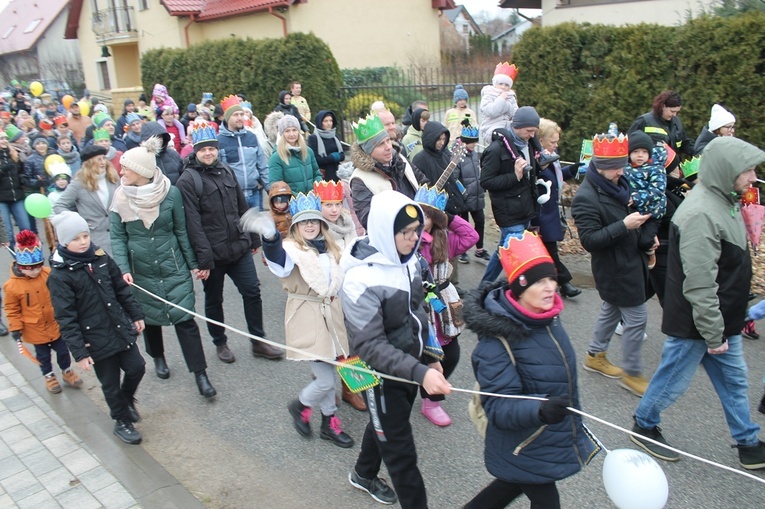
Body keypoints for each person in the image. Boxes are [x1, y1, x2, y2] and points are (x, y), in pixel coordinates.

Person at [631, 136, 765, 470]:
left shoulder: (724, 199)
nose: (753, 177)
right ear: (725, 170)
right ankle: (644, 425)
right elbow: (700, 282)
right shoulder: (700, 214)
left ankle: (748, 442)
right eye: (747, 170)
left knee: (735, 382)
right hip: (699, 324)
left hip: (721, 319)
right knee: (672, 383)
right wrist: (713, 333)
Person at [464, 230, 599, 509]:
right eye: (539, 281)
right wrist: (539, 411)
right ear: (520, 288)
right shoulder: (496, 343)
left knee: (509, 486)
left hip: (540, 438)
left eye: (552, 278)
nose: (551, 287)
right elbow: (499, 408)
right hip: (524, 441)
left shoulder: (547, 319)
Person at [341, 190, 452, 508]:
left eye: (418, 230)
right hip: (379, 376)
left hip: (409, 365)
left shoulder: (411, 260)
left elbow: (419, 313)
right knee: (403, 458)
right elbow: (369, 346)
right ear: (383, 231)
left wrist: (431, 358)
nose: (415, 238)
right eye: (406, 232)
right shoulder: (359, 279)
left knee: (387, 426)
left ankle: (363, 474)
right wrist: (420, 371)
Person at [244, 194, 354, 448]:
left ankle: (329, 422)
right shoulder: (292, 250)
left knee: (328, 372)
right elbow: (278, 263)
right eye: (304, 223)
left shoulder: (331, 249)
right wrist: (271, 238)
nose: (310, 226)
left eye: (314, 222)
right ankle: (301, 405)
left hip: (333, 316)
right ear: (295, 227)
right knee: (326, 378)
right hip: (308, 316)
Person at [110, 140, 216, 398]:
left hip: (173, 265)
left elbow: (181, 230)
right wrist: (123, 268)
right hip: (140, 269)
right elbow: (117, 237)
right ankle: (158, 357)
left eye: (126, 168)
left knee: (185, 319)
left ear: (142, 170)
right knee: (150, 318)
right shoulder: (120, 197)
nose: (121, 172)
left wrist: (193, 264)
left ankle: (200, 374)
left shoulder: (171, 193)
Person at [177, 121, 283, 363]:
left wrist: (253, 237)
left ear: (216, 149)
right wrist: (203, 260)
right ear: (195, 151)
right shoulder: (187, 180)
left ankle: (258, 342)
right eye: (203, 149)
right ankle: (220, 342)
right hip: (212, 255)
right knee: (214, 300)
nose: (208, 153)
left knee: (252, 292)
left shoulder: (226, 170)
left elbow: (242, 207)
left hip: (238, 247)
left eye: (211, 149)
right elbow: (192, 224)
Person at [48, 211, 147, 445]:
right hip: (95, 338)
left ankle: (126, 399)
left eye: (85, 236)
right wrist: (80, 352)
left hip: (119, 327)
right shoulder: (60, 276)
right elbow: (66, 317)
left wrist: (135, 314)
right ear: (64, 241)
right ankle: (122, 421)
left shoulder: (100, 258)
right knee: (110, 383)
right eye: (76, 238)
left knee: (137, 367)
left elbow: (121, 288)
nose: (83, 242)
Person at [571, 131, 655, 397]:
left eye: (622, 164)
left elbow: (629, 217)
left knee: (611, 311)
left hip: (629, 260)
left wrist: (646, 239)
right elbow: (590, 241)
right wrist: (624, 225)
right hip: (615, 269)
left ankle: (595, 355)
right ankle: (632, 374)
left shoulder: (618, 183)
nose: (622, 170)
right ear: (601, 166)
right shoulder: (586, 197)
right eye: (616, 167)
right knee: (637, 317)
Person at [415, 185, 478, 427]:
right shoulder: (407, 239)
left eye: (428, 216)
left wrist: (448, 218)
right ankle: (411, 384)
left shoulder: (446, 240)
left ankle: (432, 401)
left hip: (443, 301)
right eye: (418, 213)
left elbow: (471, 237)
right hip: (417, 302)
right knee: (417, 352)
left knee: (450, 354)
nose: (422, 220)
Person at [5, 230, 83, 394]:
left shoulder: (48, 273)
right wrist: (15, 328)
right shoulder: (12, 286)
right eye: (30, 269)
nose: (35, 272)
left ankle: (67, 371)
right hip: (35, 329)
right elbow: (12, 309)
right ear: (21, 267)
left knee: (63, 351)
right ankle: (49, 376)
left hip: (55, 324)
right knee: (43, 357)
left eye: (38, 267)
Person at [314, 180, 365, 412]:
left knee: (352, 343)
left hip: (351, 292)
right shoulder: (314, 229)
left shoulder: (348, 225)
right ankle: (326, 389)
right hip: (327, 296)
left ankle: (350, 389)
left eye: (337, 203)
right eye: (327, 204)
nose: (334, 209)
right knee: (326, 346)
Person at [479, 106, 541, 284]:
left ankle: (484, 287)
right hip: (508, 211)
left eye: (534, 132)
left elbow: (530, 177)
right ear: (517, 126)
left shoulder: (527, 145)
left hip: (525, 208)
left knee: (503, 251)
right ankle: (522, 289)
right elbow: (486, 181)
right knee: (517, 252)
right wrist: (514, 176)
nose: (531, 135)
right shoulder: (496, 149)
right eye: (529, 131)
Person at [531, 118, 583, 298]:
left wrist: (575, 168)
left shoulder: (551, 156)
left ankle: (555, 282)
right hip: (541, 214)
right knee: (550, 250)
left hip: (551, 211)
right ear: (541, 140)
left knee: (547, 251)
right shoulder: (538, 159)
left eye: (556, 141)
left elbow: (557, 177)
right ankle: (564, 282)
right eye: (552, 141)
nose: (556, 144)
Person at [349, 114, 419, 229]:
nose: (388, 147)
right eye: (381, 144)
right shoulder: (359, 180)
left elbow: (424, 184)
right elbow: (368, 220)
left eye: (388, 141)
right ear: (368, 151)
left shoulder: (400, 159)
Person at [53, 145, 119, 255]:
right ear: (89, 163)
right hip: (95, 237)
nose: (103, 162)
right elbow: (59, 206)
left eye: (104, 158)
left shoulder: (113, 178)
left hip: (117, 234)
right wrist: (78, 220)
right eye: (99, 159)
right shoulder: (79, 183)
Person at [218, 95, 270, 210]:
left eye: (241, 114)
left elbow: (262, 166)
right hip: (233, 196)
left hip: (255, 194)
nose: (240, 117)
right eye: (235, 115)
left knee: (257, 227)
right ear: (227, 118)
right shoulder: (220, 141)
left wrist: (270, 189)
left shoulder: (252, 138)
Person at [625, 131, 667, 270]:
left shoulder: (656, 169)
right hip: (632, 211)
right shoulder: (624, 168)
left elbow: (657, 191)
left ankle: (650, 252)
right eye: (636, 151)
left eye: (644, 151)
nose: (640, 155)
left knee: (644, 241)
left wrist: (635, 198)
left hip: (652, 213)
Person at [455, 119, 490, 262]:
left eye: (475, 142)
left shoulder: (475, 154)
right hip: (465, 197)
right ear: (464, 141)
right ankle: (463, 251)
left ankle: (479, 249)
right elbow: (454, 177)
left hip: (477, 195)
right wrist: (463, 192)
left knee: (480, 222)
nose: (475, 144)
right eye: (472, 142)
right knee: (465, 226)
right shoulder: (458, 154)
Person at [628, 90, 694, 160]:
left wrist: (699, 152)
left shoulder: (677, 122)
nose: (674, 115)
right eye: (672, 111)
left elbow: (685, 143)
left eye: (677, 112)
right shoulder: (644, 121)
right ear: (663, 106)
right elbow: (629, 142)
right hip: (651, 167)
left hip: (673, 166)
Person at [269, 115, 321, 195]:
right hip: (291, 202)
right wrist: (299, 197)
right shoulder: (276, 157)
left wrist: (316, 189)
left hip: (313, 198)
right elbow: (276, 185)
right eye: (287, 131)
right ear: (282, 133)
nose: (291, 134)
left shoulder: (308, 151)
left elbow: (317, 173)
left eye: (294, 130)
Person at [0, 130, 32, 244]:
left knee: (26, 228)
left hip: (17, 196)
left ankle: (29, 255)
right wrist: (2, 170)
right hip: (2, 199)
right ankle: (16, 258)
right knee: (8, 233)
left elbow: (22, 171)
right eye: (1, 139)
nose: (3, 141)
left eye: (4, 139)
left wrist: (23, 178)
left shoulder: (14, 154)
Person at [480, 62, 519, 147]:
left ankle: (539, 152)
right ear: (495, 83)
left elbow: (515, 114)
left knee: (526, 129)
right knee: (505, 135)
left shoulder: (511, 96)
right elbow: (491, 111)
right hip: (491, 128)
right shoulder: (488, 94)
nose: (503, 87)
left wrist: (507, 106)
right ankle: (517, 157)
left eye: (506, 85)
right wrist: (501, 99)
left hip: (507, 126)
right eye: (500, 84)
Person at [307, 110, 344, 182]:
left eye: (331, 121)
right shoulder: (313, 138)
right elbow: (315, 159)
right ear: (320, 122)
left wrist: (330, 158)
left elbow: (342, 155)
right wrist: (333, 157)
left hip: (337, 173)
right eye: (325, 121)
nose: (329, 123)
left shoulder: (334, 136)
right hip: (323, 175)